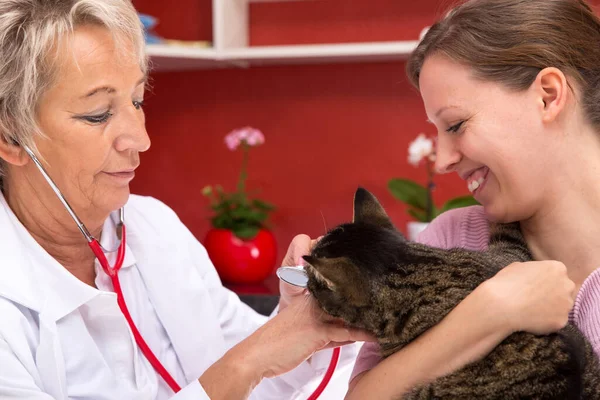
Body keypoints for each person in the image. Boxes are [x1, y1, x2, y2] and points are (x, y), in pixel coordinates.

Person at [0, 1, 371, 398]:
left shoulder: (154, 227)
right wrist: (247, 362)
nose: (140, 139)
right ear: (10, 136)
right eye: (97, 114)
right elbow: (243, 366)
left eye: (137, 100)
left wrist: (298, 320)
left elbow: (261, 381)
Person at [345, 0, 600, 398]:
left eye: (456, 125)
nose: (443, 160)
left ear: (548, 96)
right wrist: (491, 312)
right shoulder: (451, 240)